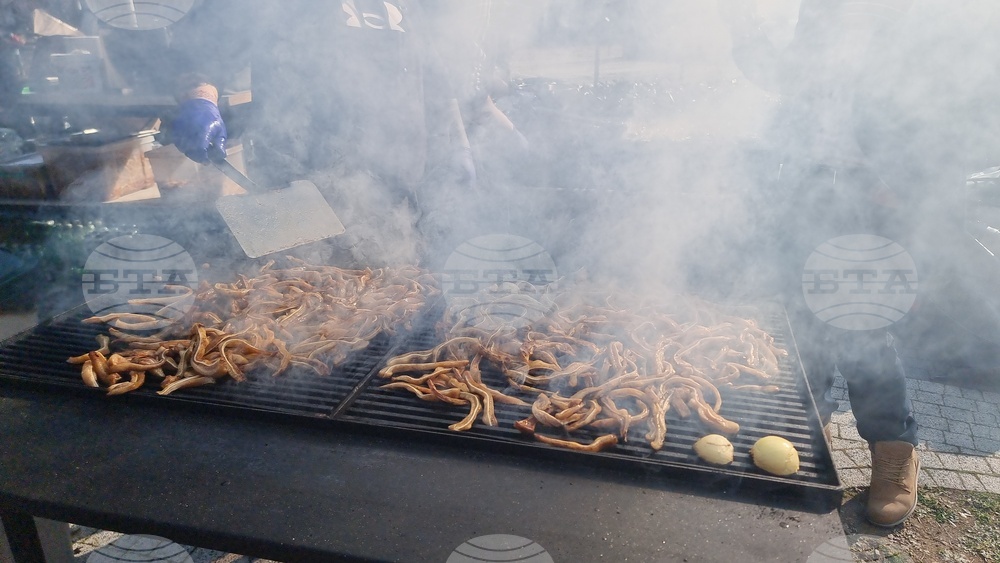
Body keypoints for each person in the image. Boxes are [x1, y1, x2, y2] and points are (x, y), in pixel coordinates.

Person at [165, 0, 480, 266]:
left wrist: (458, 146)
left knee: (396, 311)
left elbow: (439, 84)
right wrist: (200, 98)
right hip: (300, 203)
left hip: (401, 207)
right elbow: (200, 47)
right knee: (298, 312)